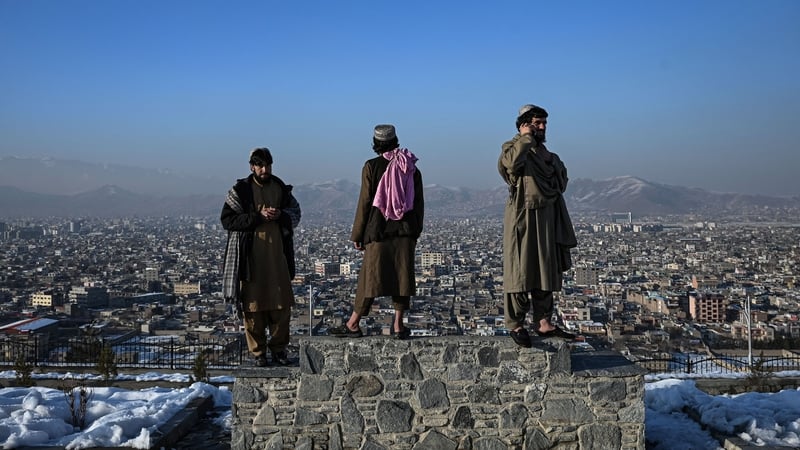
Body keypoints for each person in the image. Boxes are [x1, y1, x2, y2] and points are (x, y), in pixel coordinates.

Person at [329, 124, 424, 340]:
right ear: (395, 140)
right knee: (402, 276)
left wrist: (358, 234)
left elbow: (365, 202)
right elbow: (418, 204)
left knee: (369, 278)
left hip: (378, 231)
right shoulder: (410, 166)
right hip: (404, 231)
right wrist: (415, 231)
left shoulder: (371, 166)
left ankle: (353, 323)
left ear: (375, 143)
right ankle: (398, 326)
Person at [498, 104, 578, 347]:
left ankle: (543, 321)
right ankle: (516, 323)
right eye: (536, 123)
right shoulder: (513, 148)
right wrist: (524, 139)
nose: (542, 127)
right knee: (521, 269)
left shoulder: (547, 155)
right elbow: (509, 165)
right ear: (524, 124)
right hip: (523, 216)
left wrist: (549, 159)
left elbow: (561, 181)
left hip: (547, 217)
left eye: (544, 123)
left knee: (546, 268)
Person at [221, 148, 301, 366]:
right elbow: (227, 220)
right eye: (260, 166)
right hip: (251, 260)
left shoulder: (281, 189)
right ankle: (258, 353)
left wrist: (281, 215)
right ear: (252, 167)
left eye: (267, 165)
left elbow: (296, 214)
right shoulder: (241, 191)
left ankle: (278, 350)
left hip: (278, 258)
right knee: (253, 309)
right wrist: (257, 217)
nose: (264, 169)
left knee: (281, 306)